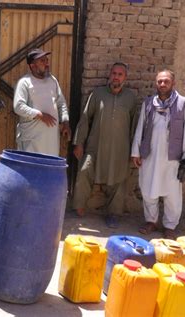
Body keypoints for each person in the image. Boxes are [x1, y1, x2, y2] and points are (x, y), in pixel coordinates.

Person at [131, 69, 185, 239]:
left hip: (173, 158)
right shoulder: (149, 104)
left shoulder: (183, 104)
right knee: (148, 189)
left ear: (173, 83)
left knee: (172, 194)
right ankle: (151, 221)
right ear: (156, 83)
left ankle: (170, 226)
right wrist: (136, 152)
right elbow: (140, 127)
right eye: (159, 81)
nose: (162, 84)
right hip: (150, 155)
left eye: (166, 81)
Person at [72, 62, 138, 228]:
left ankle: (114, 214)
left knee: (119, 181)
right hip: (96, 145)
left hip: (120, 149)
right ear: (110, 75)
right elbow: (86, 118)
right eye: (114, 73)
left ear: (125, 77)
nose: (116, 77)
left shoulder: (131, 97)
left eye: (120, 74)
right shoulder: (98, 93)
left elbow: (135, 126)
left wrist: (135, 151)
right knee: (85, 171)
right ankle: (79, 207)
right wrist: (79, 143)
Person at [13, 48, 70, 156]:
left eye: (46, 60)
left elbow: (61, 103)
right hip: (31, 141)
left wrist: (65, 121)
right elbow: (18, 106)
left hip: (51, 141)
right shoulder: (24, 82)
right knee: (30, 170)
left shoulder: (52, 80)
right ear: (32, 66)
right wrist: (39, 115)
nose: (47, 63)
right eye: (42, 61)